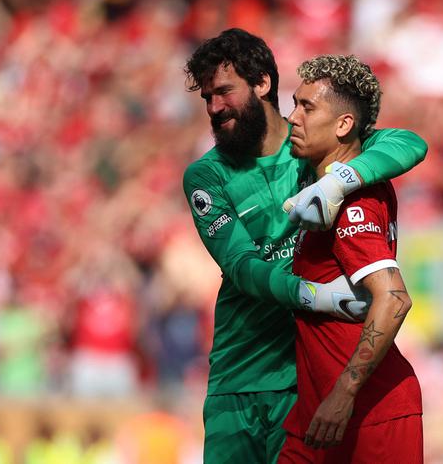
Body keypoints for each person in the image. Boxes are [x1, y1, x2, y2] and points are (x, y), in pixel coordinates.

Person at [182, 28, 427, 463]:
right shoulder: (206, 176)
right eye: (207, 98)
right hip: (238, 372)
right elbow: (240, 266)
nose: (214, 108)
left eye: (223, 91)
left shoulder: (316, 147)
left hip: (304, 378)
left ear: (261, 83)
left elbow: (410, 143)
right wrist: (313, 296)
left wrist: (340, 179)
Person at [278, 55, 422, 463]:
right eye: (294, 103)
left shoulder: (354, 201)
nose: (293, 117)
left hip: (369, 412)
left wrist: (344, 393)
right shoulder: (320, 187)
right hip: (316, 412)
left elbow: (394, 299)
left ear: (343, 125)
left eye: (307, 107)